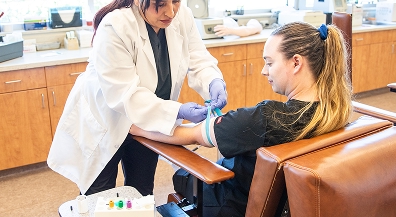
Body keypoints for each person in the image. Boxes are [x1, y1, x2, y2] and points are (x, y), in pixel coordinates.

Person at [130, 21, 353, 216]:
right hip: (287, 205)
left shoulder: (262, 119)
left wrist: (134, 127)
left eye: (270, 62)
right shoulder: (335, 111)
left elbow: (189, 135)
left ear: (296, 63)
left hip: (230, 203)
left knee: (182, 174)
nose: (264, 71)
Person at [47, 0, 228, 197]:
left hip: (148, 121)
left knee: (141, 191)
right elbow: (125, 95)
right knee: (99, 197)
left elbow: (198, 57)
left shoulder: (181, 16)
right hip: (107, 120)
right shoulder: (115, 25)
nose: (171, 11)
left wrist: (213, 81)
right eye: (159, 4)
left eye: (175, 1)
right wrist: (178, 111)